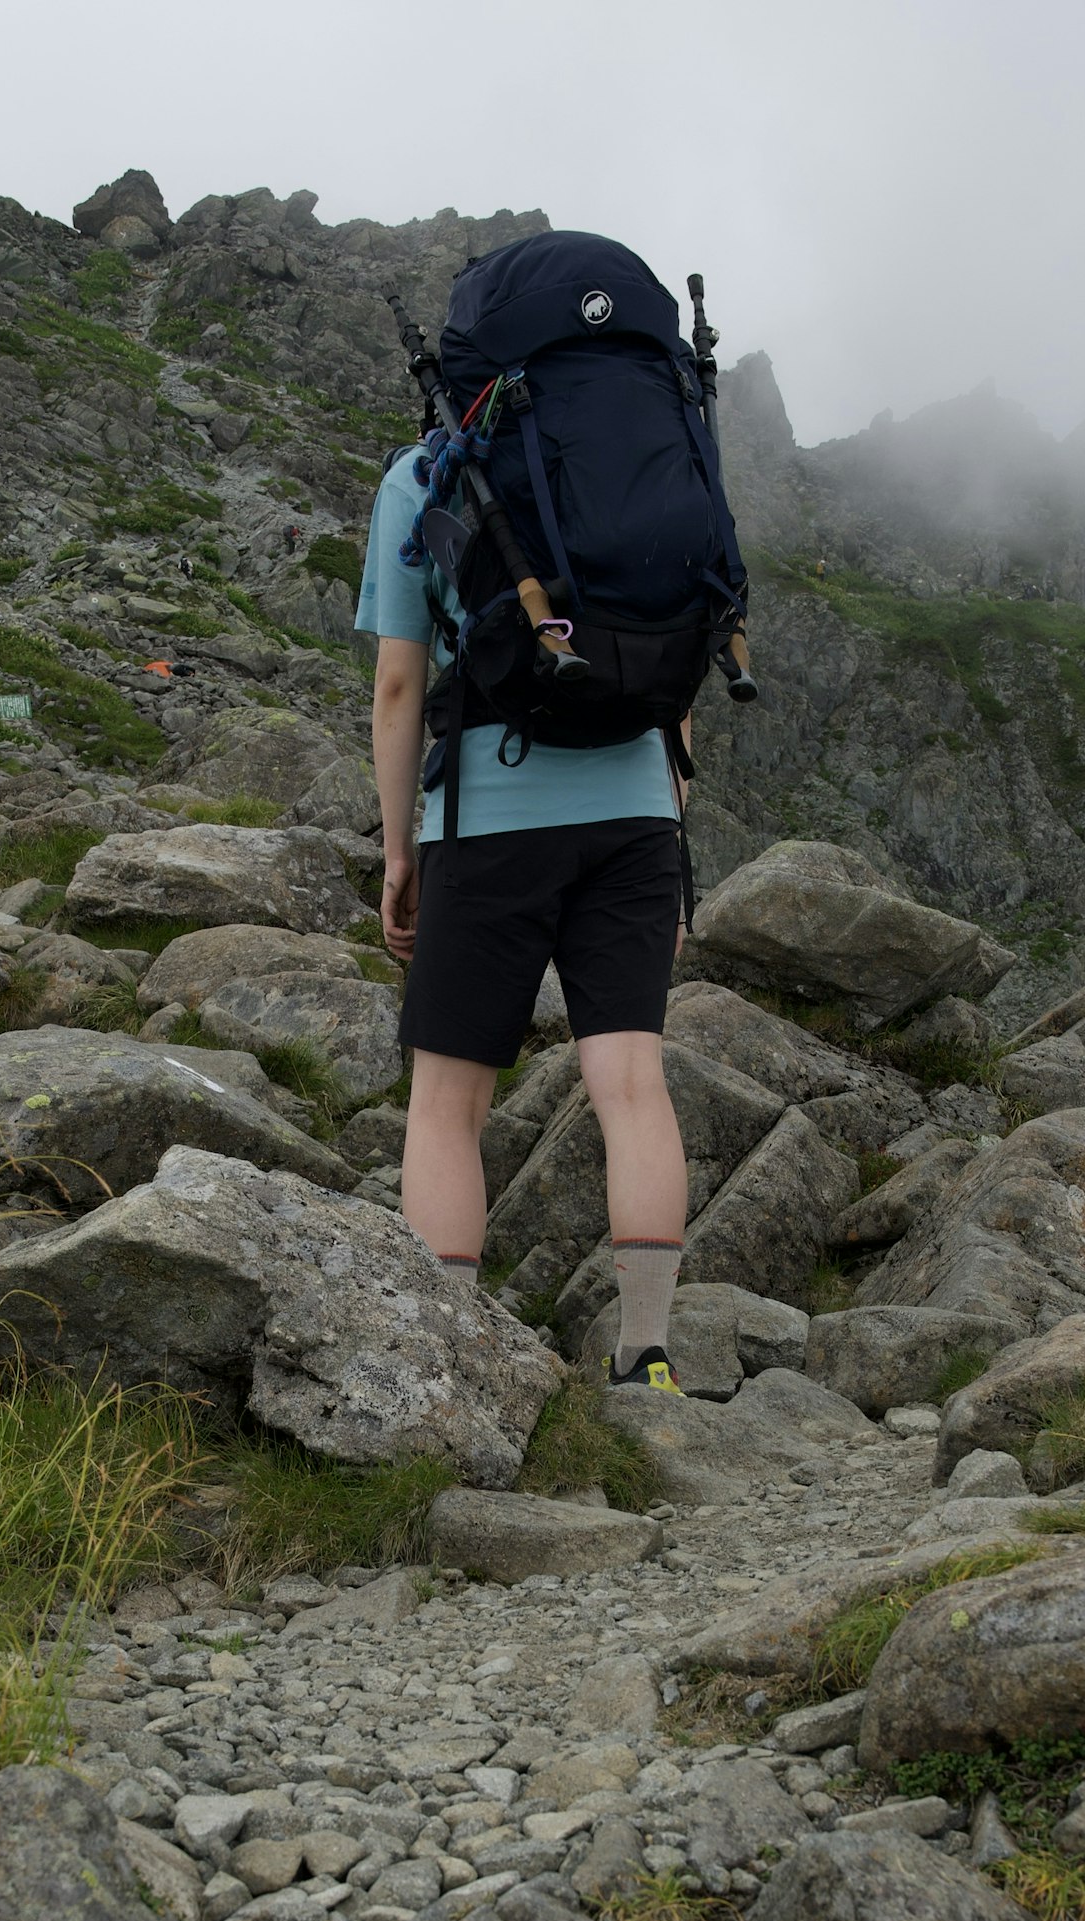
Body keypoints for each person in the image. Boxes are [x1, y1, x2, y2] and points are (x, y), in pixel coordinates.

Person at [356, 456, 694, 1395]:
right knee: (630, 1084)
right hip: (635, 813)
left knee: (447, 1102)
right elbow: (680, 667)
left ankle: (447, 1370)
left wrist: (399, 854)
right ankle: (647, 1358)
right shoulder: (637, 462)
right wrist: (672, 837)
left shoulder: (426, 472)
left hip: (489, 812)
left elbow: (397, 684)